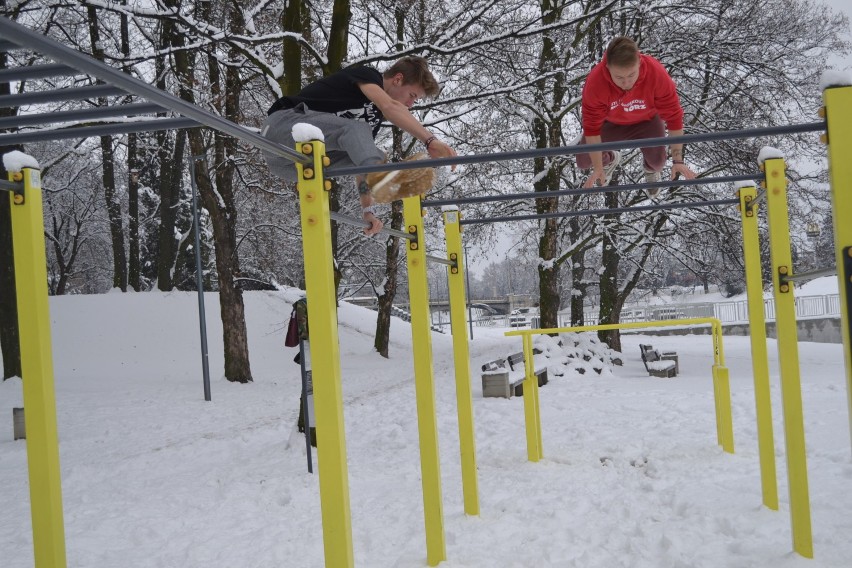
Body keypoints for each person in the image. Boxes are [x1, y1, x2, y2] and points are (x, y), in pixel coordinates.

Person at [261, 56, 457, 235]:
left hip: (288, 166)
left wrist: (367, 210)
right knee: (359, 134)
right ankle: (381, 175)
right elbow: (390, 107)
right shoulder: (367, 75)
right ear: (397, 79)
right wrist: (430, 140)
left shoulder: (372, 123)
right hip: (282, 127)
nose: (411, 104)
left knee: (373, 154)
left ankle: (380, 175)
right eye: (412, 95)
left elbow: (360, 166)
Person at [576, 37, 697, 196]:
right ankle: (610, 159)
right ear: (608, 68)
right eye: (619, 77)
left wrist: (678, 160)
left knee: (658, 163)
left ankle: (650, 168)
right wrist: (598, 168)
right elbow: (591, 128)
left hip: (647, 121)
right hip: (611, 123)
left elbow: (674, 117)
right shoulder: (596, 83)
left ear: (639, 62)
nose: (626, 83)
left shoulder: (656, 73)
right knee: (583, 161)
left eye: (631, 75)